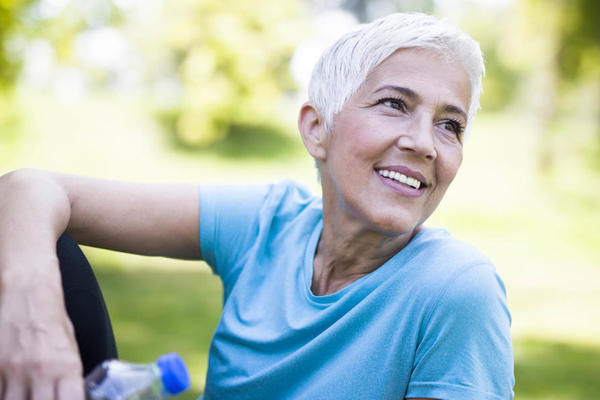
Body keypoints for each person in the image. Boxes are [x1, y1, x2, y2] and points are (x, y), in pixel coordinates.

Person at [0, 12, 514, 400]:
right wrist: (34, 315)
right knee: (53, 256)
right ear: (317, 129)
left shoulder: (456, 290)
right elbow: (30, 189)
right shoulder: (269, 225)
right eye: (395, 104)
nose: (425, 142)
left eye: (451, 125)